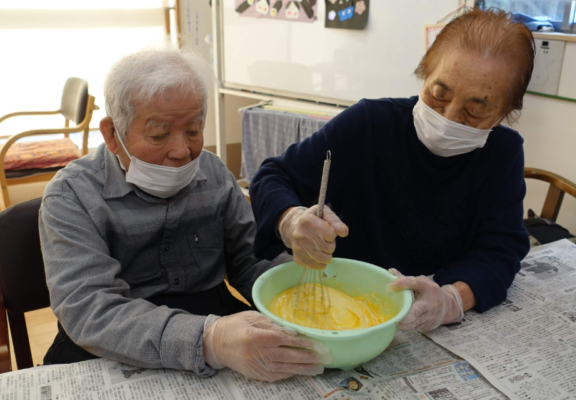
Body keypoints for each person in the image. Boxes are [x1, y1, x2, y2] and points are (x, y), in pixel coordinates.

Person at [39, 43, 331, 382]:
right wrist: (209, 339)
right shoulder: (71, 195)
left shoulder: (214, 173)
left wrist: (309, 272)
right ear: (112, 135)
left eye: (193, 130)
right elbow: (90, 310)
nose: (182, 151)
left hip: (216, 317)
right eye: (159, 133)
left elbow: (252, 261)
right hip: (114, 338)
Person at [250, 8, 533, 332]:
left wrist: (451, 299)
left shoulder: (503, 153)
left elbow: (502, 250)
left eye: (473, 112)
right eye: (438, 95)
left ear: (503, 114)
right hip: (342, 305)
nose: (449, 118)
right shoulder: (369, 123)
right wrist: (290, 218)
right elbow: (272, 176)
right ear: (424, 73)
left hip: (433, 322)